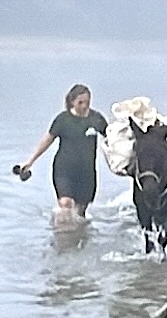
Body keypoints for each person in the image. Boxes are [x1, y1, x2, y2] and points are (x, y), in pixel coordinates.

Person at [17, 84, 108, 223]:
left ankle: (78, 239)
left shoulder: (96, 119)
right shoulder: (62, 120)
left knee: (80, 214)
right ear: (72, 102)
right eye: (80, 102)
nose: (84, 106)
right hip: (64, 170)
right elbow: (46, 140)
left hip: (87, 173)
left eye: (87, 102)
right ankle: (62, 239)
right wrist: (29, 162)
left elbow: (112, 139)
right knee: (66, 204)